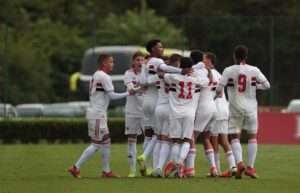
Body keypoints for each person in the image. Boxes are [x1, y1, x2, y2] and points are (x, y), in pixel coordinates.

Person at [68, 54, 133, 178]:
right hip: (97, 115)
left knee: (106, 142)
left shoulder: (96, 75)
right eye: (111, 62)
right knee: (96, 144)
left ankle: (106, 171)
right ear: (104, 63)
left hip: (98, 114)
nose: (113, 64)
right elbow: (112, 96)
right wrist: (128, 93)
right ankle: (75, 167)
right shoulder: (104, 77)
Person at [217, 45, 270, 179]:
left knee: (234, 137)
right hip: (251, 107)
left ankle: (239, 163)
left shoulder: (228, 70)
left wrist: (220, 93)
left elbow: (219, 88)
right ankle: (250, 168)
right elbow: (266, 85)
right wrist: (253, 86)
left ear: (234, 56)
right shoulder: (254, 69)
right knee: (252, 137)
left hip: (235, 107)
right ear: (246, 56)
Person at [137, 39, 183, 176]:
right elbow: (166, 69)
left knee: (149, 136)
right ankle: (148, 160)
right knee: (160, 137)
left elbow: (142, 81)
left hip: (147, 101)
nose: (162, 49)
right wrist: (182, 70)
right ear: (152, 49)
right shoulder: (158, 62)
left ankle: (149, 165)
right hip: (158, 101)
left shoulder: (146, 63)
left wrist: (152, 79)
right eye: (160, 47)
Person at [162, 57, 209, 178]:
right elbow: (207, 81)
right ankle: (179, 163)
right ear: (191, 68)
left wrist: (178, 71)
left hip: (175, 113)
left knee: (176, 141)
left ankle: (176, 164)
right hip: (189, 113)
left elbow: (162, 75)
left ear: (180, 66)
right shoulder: (195, 80)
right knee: (187, 140)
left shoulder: (173, 77)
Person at [203, 52, 237, 177]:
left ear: (209, 61)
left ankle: (216, 169)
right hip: (224, 109)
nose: (202, 62)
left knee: (214, 139)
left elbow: (217, 93)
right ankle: (233, 166)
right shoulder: (219, 74)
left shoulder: (208, 74)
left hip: (215, 109)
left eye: (204, 59)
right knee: (224, 139)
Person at [152, 54, 182, 177]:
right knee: (173, 141)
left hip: (159, 108)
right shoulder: (176, 75)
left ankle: (157, 167)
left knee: (160, 140)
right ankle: (175, 168)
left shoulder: (160, 75)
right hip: (170, 109)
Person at [124, 52, 145, 177]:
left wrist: (140, 88)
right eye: (138, 59)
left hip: (145, 112)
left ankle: (147, 167)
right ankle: (132, 171)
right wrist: (142, 88)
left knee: (149, 140)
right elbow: (131, 90)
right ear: (133, 62)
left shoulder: (146, 74)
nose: (140, 62)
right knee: (132, 141)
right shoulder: (128, 73)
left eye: (142, 60)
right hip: (132, 112)